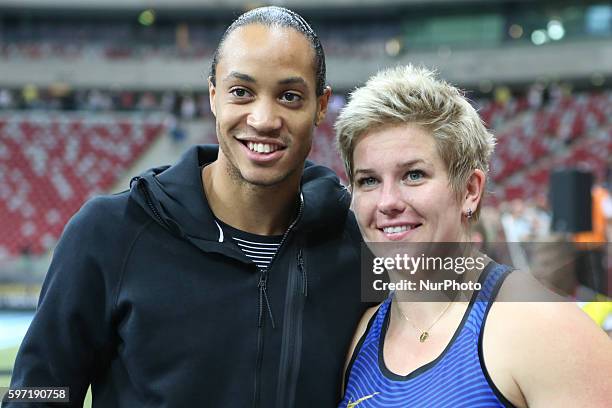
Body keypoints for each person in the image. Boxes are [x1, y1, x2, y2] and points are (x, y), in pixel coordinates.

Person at [5, 7, 367, 407]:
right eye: (241, 92)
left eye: (289, 96)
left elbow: (441, 306)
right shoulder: (109, 232)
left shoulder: (357, 244)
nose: (264, 119)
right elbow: (36, 392)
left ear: (321, 105)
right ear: (213, 96)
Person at [335, 65, 612, 407]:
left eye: (414, 175)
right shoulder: (360, 334)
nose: (387, 202)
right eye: (368, 181)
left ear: (469, 190)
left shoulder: (541, 327)